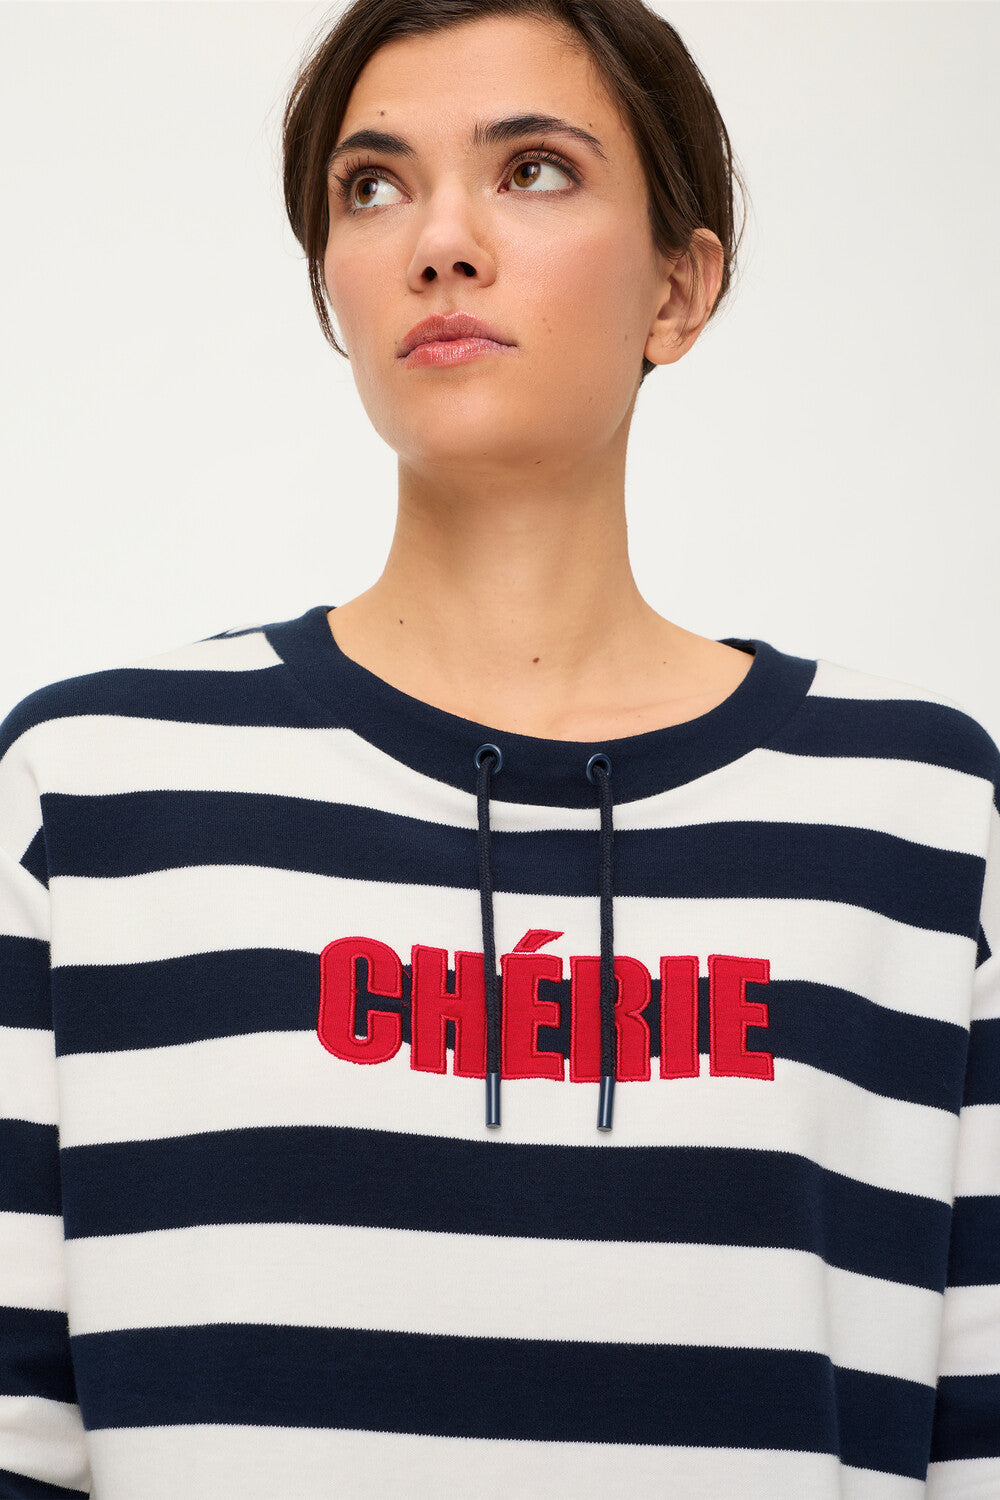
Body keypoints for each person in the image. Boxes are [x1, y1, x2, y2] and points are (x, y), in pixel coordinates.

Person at [0, 1, 997, 1495]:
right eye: (373, 185)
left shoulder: (915, 816)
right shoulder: (97, 794)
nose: (441, 242)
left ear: (680, 287)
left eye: (533, 170)